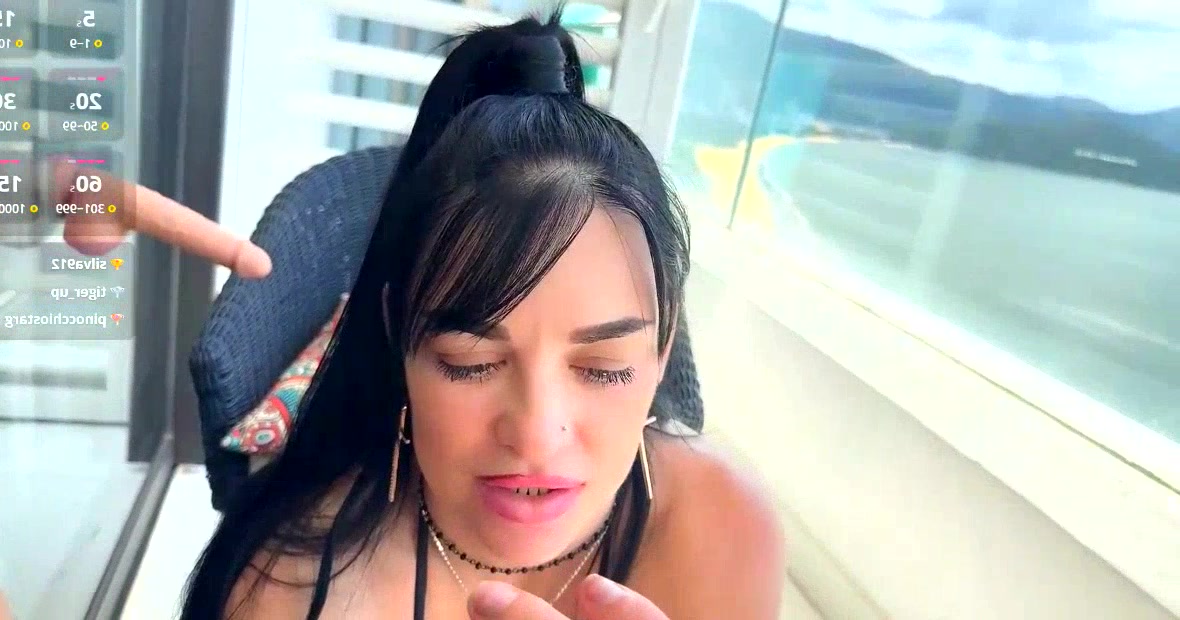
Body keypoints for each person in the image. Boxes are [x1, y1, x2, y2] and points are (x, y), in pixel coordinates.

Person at [180, 10, 784, 620]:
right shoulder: (290, 593)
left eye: (603, 368)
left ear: (662, 350)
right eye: (471, 363)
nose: (536, 432)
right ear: (398, 338)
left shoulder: (729, 528)